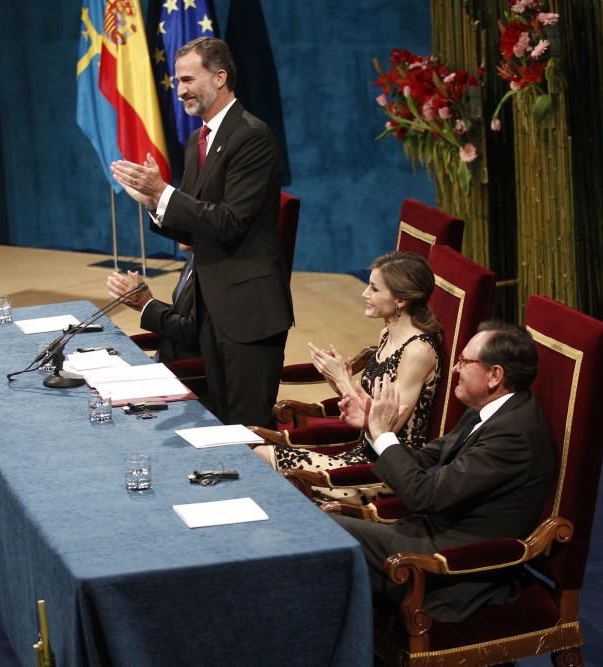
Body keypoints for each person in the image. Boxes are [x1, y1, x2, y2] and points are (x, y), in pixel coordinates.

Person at [110, 36, 293, 427]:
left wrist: (164, 192)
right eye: (177, 81)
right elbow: (193, 228)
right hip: (208, 309)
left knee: (248, 430)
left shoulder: (251, 136)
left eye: (188, 80)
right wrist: (151, 201)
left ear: (220, 77)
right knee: (216, 421)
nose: (180, 91)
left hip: (248, 313)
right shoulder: (198, 140)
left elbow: (229, 222)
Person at [333, 321, 554, 622]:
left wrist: (384, 433)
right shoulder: (487, 410)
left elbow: (425, 495)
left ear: (494, 375)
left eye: (464, 362)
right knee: (317, 526)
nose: (454, 369)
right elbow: (423, 461)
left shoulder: (513, 436)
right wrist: (374, 427)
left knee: (321, 533)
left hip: (449, 569)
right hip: (424, 534)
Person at [253, 251, 441, 505]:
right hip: (361, 454)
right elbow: (366, 413)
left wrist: (343, 380)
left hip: (389, 472)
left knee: (262, 459)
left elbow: (386, 428)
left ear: (400, 300)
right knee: (259, 459)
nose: (365, 294)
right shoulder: (387, 333)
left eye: (374, 289)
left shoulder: (418, 351)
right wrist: (338, 382)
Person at [107, 245, 199, 364]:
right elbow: (183, 313)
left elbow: (192, 332)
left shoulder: (210, 272)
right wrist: (149, 303)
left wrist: (146, 304)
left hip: (180, 369)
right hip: (163, 357)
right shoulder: (192, 260)